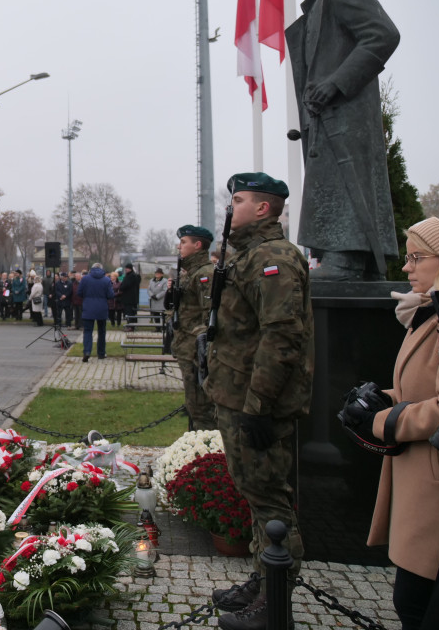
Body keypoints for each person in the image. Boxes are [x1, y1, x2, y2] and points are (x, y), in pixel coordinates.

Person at [204, 173, 313, 630]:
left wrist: (258, 406)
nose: (232, 207)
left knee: (270, 502)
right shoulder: (248, 255)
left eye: (240, 199)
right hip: (237, 397)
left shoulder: (273, 257)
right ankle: (263, 577)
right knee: (255, 495)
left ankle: (276, 601)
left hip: (256, 404)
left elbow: (282, 336)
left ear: (264, 209)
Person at [283, 0, 401, 281]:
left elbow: (383, 34)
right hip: (329, 111)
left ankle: (346, 261)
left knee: (344, 179)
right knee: (332, 178)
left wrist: (335, 83)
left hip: (346, 107)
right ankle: (348, 260)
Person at [359, 217, 439, 630]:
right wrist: (380, 398)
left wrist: (383, 420)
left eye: (417, 257)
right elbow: (418, 389)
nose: (407, 267)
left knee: (417, 604)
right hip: (421, 474)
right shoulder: (426, 313)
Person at [169, 225, 217, 431]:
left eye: (184, 242)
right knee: (194, 405)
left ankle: (209, 453)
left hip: (196, 351)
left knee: (201, 407)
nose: (179, 246)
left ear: (197, 245)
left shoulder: (205, 274)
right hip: (186, 348)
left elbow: (210, 315)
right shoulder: (191, 273)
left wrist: (201, 345)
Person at [78, 263, 114, 363]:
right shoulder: (106, 280)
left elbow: (79, 293)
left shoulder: (85, 279)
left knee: (88, 331)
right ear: (102, 269)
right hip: (102, 308)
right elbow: (111, 295)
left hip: (88, 308)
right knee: (102, 331)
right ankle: (101, 353)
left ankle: (87, 351)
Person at [118, 263, 140, 330]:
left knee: (129, 312)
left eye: (127, 268)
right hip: (132, 298)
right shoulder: (134, 276)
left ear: (130, 269)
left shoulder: (130, 276)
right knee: (132, 313)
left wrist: (120, 288)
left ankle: (130, 326)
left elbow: (125, 285)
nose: (126, 269)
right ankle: (132, 326)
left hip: (129, 298)